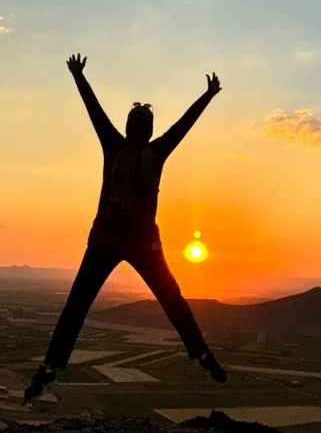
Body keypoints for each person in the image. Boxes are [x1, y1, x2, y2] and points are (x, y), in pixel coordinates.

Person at [24, 54, 227, 402]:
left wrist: (207, 96)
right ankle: (49, 369)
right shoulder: (122, 146)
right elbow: (95, 110)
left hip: (135, 242)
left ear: (145, 128)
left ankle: (202, 354)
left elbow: (182, 125)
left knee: (167, 298)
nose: (138, 129)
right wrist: (79, 78)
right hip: (110, 241)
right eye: (136, 123)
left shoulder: (144, 149)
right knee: (81, 304)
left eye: (141, 123)